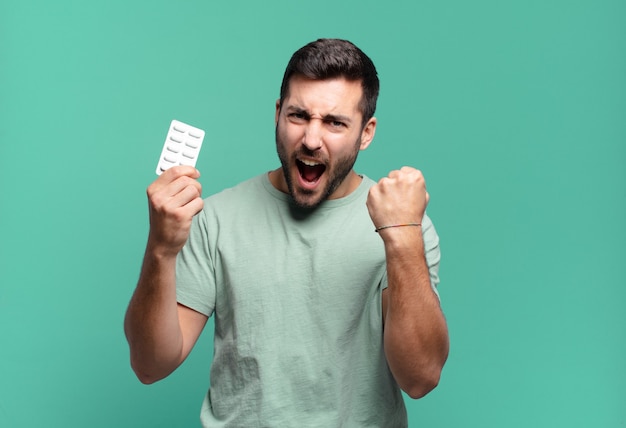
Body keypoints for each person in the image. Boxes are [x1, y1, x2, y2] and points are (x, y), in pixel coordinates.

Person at [124, 38, 449, 427]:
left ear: (366, 132)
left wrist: (402, 235)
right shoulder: (217, 218)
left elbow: (421, 377)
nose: (311, 139)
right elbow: (149, 365)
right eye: (298, 116)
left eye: (334, 123)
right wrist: (160, 248)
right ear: (278, 114)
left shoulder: (405, 226)